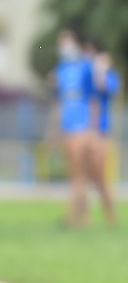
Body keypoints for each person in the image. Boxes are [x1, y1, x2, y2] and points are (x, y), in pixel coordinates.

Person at [53, 29, 96, 227]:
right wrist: (57, 129)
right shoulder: (62, 69)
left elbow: (93, 98)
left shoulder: (86, 67)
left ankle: (73, 215)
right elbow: (60, 101)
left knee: (81, 173)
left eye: (66, 41)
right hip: (68, 126)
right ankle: (84, 216)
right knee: (75, 173)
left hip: (82, 125)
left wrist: (93, 129)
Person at [85, 39, 119, 226]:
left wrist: (99, 70)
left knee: (101, 177)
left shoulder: (111, 77)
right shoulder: (87, 78)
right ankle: (85, 217)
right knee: (86, 177)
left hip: (101, 134)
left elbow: (105, 87)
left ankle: (110, 215)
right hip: (86, 132)